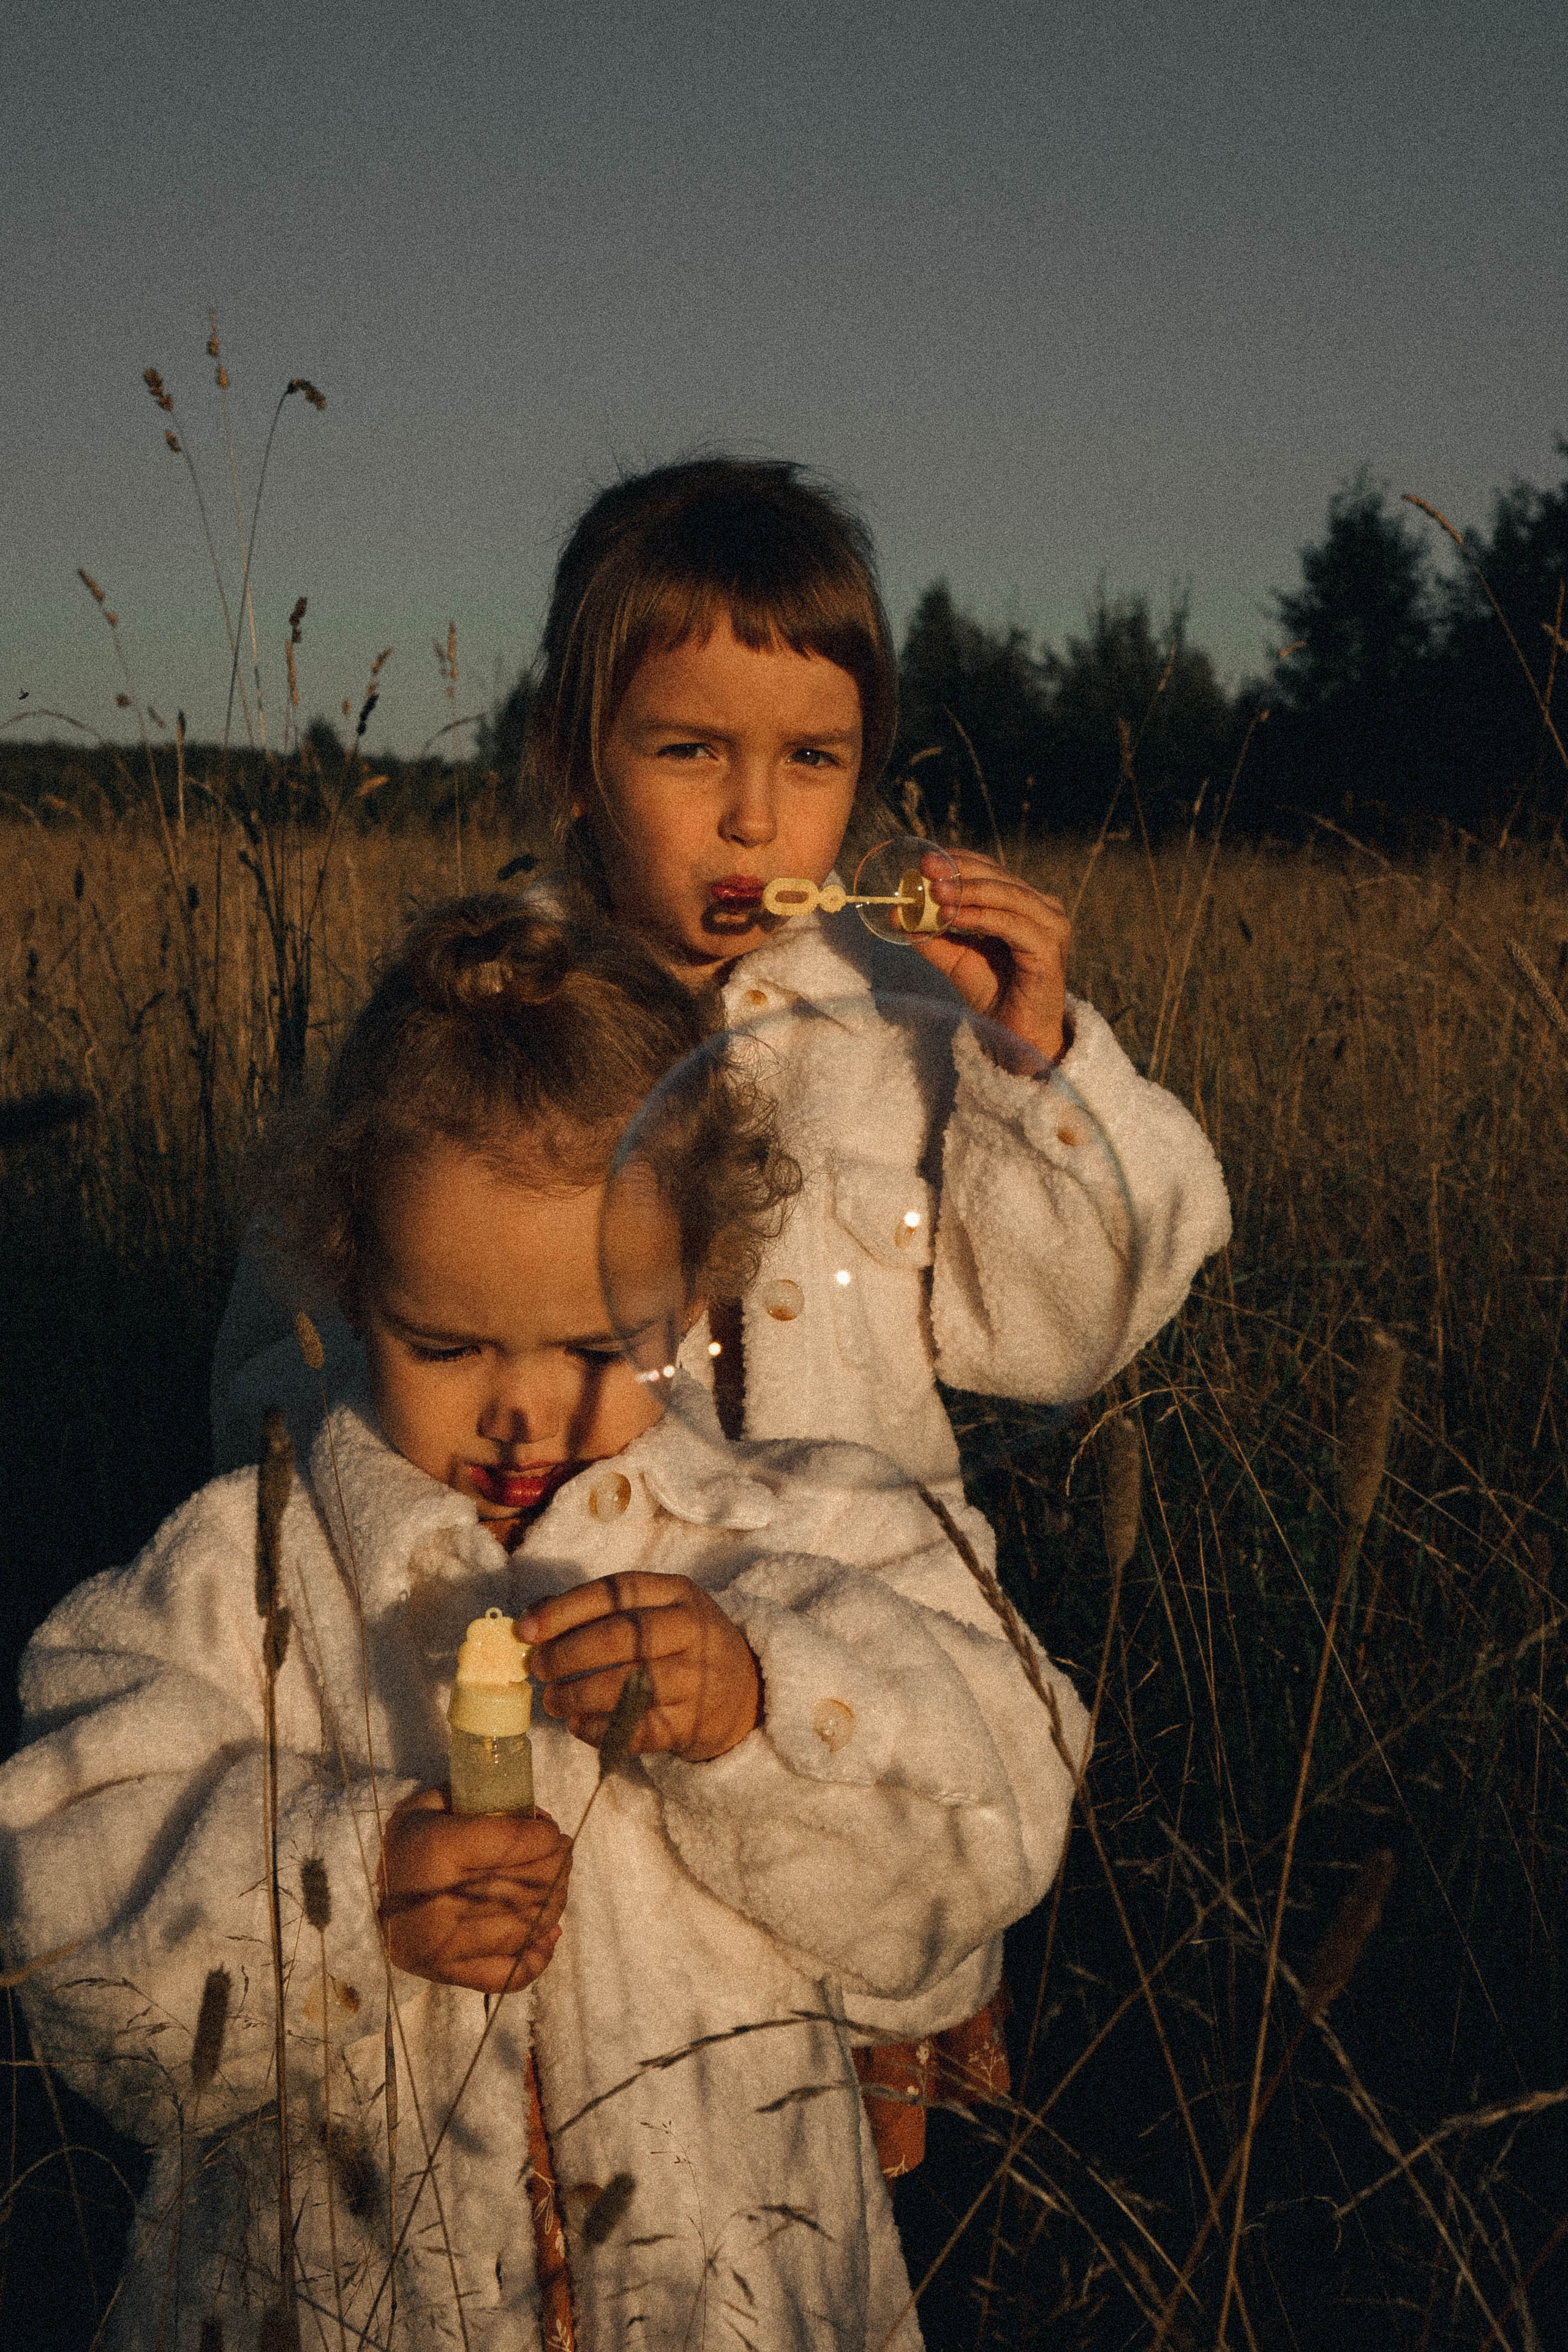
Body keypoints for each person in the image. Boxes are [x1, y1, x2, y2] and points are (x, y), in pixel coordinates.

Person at [0, 896, 1090, 2352]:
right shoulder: (242, 1575)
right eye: (443, 1346)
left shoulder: (801, 1535)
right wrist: (346, 1883)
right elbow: (60, 1907)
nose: (523, 1407)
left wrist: (768, 1704)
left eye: (596, 1346)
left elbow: (995, 1820)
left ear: (701, 1287)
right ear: (343, 1283)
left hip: (734, 2293)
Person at [212, 456, 1231, 1493]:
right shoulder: (471, 1014)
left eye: (812, 759)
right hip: (558, 1602)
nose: (754, 817)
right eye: (692, 751)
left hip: (858, 1602)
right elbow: (275, 1371)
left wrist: (1032, 1060)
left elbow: (1057, 1342)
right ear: (572, 760)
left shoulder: (910, 1031)